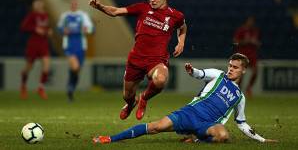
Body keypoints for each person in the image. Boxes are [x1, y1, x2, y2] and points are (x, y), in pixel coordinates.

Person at [92, 53, 278, 144]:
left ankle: (197, 137)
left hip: (207, 123)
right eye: (230, 65)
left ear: (243, 70)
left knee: (223, 135)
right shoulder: (218, 75)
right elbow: (200, 73)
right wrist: (192, 71)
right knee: (156, 127)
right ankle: (110, 138)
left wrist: (262, 140)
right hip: (190, 112)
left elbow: (242, 123)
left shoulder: (240, 97)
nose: (230, 69)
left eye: (235, 67)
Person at [89, 0, 187, 120]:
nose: (152, 0)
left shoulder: (176, 15)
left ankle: (144, 98)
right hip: (136, 59)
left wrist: (181, 42)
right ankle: (131, 104)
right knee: (127, 96)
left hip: (157, 60)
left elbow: (183, 27)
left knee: (160, 80)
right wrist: (100, 6)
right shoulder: (142, 8)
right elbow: (116, 11)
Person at [57, 0, 94, 101]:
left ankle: (71, 89)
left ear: (77, 4)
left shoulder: (83, 15)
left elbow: (91, 29)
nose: (73, 5)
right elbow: (59, 28)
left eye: (75, 3)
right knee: (75, 67)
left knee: (77, 70)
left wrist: (87, 29)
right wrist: (63, 30)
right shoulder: (65, 16)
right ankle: (70, 87)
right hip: (69, 45)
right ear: (70, 4)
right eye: (72, 3)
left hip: (81, 46)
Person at [20, 0, 52, 100]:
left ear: (42, 4)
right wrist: (35, 29)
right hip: (33, 43)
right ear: (34, 6)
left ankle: (40, 88)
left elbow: (45, 28)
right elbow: (23, 27)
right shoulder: (32, 15)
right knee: (29, 67)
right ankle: (23, 86)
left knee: (46, 65)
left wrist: (48, 31)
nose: (38, 5)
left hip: (43, 43)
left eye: (39, 3)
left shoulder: (46, 15)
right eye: (36, 4)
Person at [233, 16, 261, 98]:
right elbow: (235, 42)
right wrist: (245, 42)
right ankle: (238, 91)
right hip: (242, 55)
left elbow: (258, 43)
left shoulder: (255, 31)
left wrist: (255, 43)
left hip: (252, 54)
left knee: (255, 71)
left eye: (252, 21)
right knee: (241, 75)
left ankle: (249, 88)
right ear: (246, 22)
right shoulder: (241, 30)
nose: (251, 23)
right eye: (250, 21)